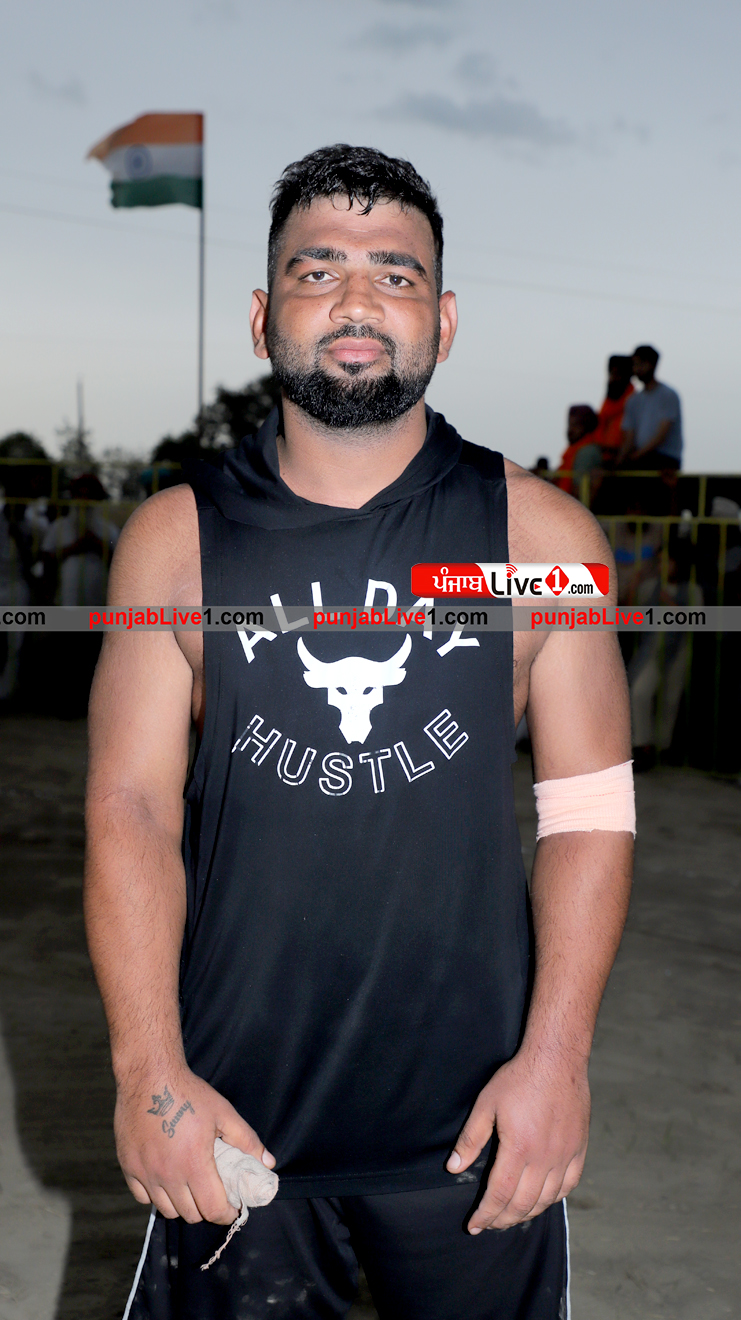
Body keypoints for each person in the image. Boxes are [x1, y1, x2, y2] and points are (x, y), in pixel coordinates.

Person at [85, 145, 634, 1320]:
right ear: (261, 316)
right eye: (317, 269)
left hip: (477, 1133)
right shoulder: (175, 542)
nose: (355, 300)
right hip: (231, 1129)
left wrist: (558, 1061)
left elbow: (589, 813)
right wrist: (149, 1074)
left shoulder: (544, 540)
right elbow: (129, 809)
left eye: (394, 274)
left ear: (443, 320)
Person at [616, 346, 683, 470]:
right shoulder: (633, 400)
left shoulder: (668, 395)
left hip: (665, 459)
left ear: (653, 364)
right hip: (640, 458)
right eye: (635, 364)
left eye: (641, 364)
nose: (637, 369)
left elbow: (662, 434)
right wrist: (620, 461)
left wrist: (636, 456)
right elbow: (629, 437)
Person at [594, 356, 634, 463]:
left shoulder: (635, 403)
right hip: (601, 462)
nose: (613, 379)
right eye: (611, 374)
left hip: (624, 463)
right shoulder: (608, 403)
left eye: (618, 374)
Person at [555, 403, 600, 494]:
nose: (570, 430)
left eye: (576, 425)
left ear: (587, 427)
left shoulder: (586, 452)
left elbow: (578, 490)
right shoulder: (572, 451)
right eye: (570, 425)